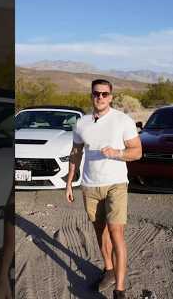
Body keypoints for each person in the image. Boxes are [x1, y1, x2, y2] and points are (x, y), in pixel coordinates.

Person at [65, 79, 142, 299]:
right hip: (90, 185)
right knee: (100, 231)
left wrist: (117, 153)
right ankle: (108, 269)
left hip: (116, 184)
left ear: (111, 96)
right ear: (91, 95)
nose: (100, 97)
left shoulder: (122, 120)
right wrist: (70, 182)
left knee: (116, 232)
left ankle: (119, 290)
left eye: (105, 94)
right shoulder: (82, 123)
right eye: (96, 94)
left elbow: (137, 152)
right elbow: (75, 152)